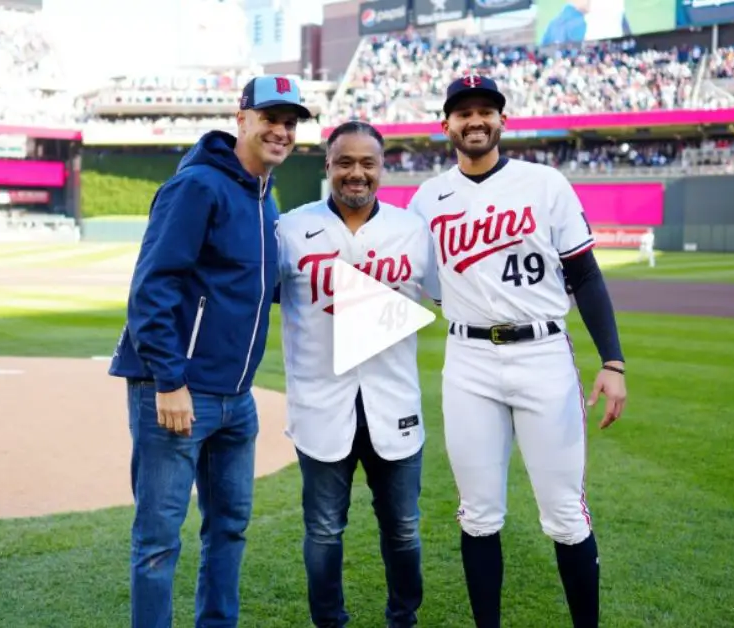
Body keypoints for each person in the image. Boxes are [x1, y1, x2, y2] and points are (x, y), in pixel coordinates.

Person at [408, 75, 628, 627]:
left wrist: (613, 361)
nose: (475, 120)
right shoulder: (426, 198)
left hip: (543, 355)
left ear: (502, 121)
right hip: (468, 362)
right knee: (478, 514)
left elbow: (586, 274)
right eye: (464, 112)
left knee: (563, 515)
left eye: (486, 110)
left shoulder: (544, 183)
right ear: (447, 126)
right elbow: (422, 283)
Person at [107, 75, 312, 628]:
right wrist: (169, 381)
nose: (281, 130)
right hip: (177, 392)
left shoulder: (266, 199)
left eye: (290, 122)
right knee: (158, 539)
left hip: (236, 400)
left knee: (228, 528)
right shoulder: (199, 186)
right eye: (270, 117)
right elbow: (152, 287)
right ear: (240, 118)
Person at [275, 120, 435, 628]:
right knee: (323, 531)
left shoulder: (412, 230)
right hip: (321, 403)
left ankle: (403, 619)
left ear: (382, 169)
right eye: (345, 162)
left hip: (395, 402)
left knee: (404, 530)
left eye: (368, 163)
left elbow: (454, 296)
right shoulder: (289, 229)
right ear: (327, 166)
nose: (356, 173)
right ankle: (330, 622)